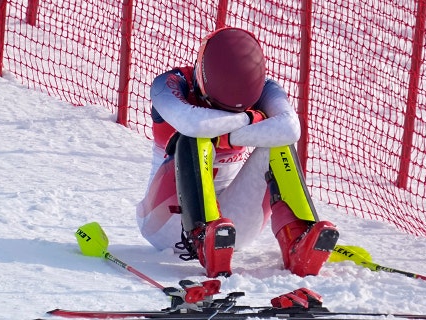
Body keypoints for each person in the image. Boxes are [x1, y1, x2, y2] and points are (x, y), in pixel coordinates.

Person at [136, 27, 339, 278]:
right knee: (195, 139)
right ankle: (203, 235)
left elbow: (290, 128)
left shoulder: (267, 88)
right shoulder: (169, 84)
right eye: (217, 106)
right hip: (167, 224)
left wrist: (226, 131)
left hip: (231, 231)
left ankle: (297, 238)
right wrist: (250, 118)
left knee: (278, 143)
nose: (227, 114)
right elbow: (194, 124)